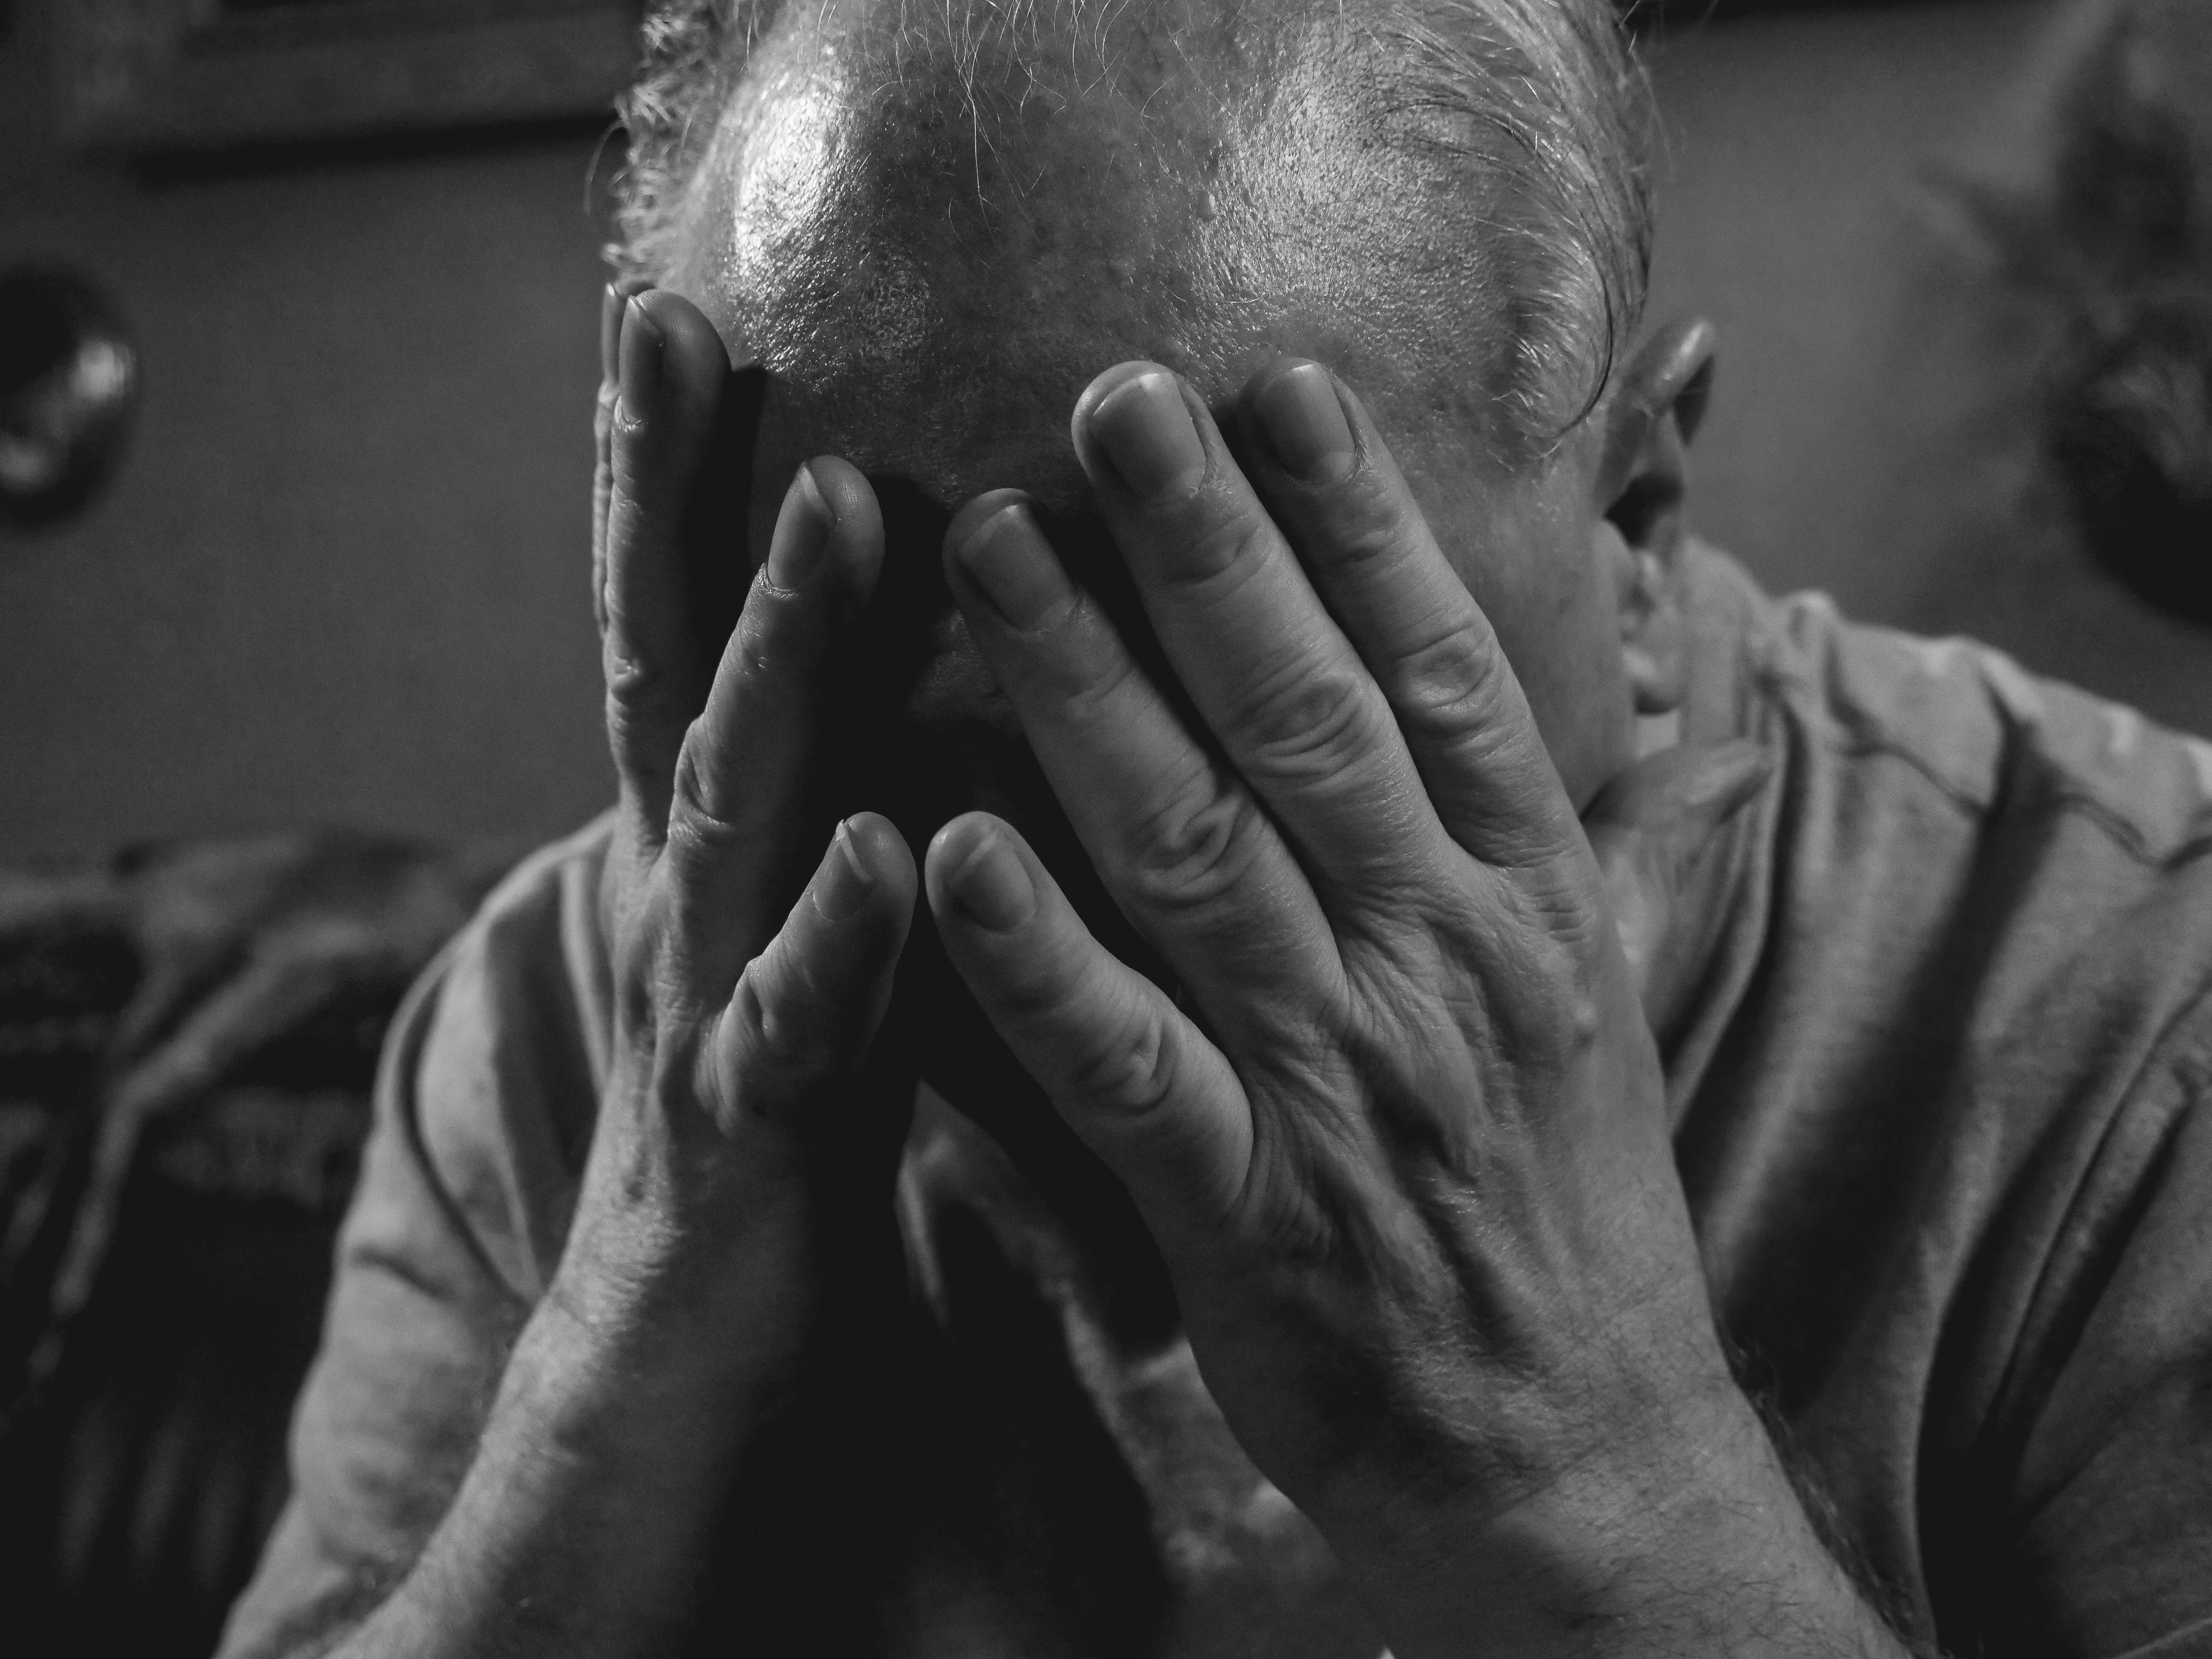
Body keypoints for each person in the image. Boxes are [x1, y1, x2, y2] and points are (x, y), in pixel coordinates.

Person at [221, 0, 2212, 1655]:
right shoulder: (581, 1016)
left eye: (1240, 678)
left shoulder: (2133, 1010)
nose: (1061, 903)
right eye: (884, 701)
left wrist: (1588, 1475)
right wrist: (600, 1383)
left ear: (1632, 536)